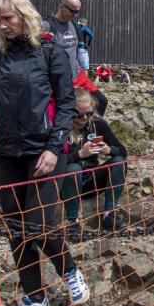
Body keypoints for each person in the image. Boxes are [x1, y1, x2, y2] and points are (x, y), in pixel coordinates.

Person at [0, 0, 89, 306]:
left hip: (44, 152)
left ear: (25, 17)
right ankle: (34, 297)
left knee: (37, 226)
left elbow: (67, 102)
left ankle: (69, 270)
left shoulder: (50, 52)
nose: (2, 25)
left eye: (7, 18)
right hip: (8, 153)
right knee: (16, 230)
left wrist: (55, 147)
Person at [60, 88, 127, 242]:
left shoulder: (97, 124)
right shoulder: (61, 127)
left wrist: (109, 150)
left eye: (88, 113)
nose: (85, 117)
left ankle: (109, 214)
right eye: (79, 114)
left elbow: (122, 151)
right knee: (73, 168)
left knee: (118, 161)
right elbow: (55, 163)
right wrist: (79, 155)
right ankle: (72, 223)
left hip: (92, 181)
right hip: (67, 184)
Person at [45, 0, 84, 78]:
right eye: (73, 11)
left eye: (77, 12)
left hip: (74, 79)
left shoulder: (73, 24)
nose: (76, 15)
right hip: (55, 82)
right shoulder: (47, 26)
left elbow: (74, 51)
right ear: (61, 7)